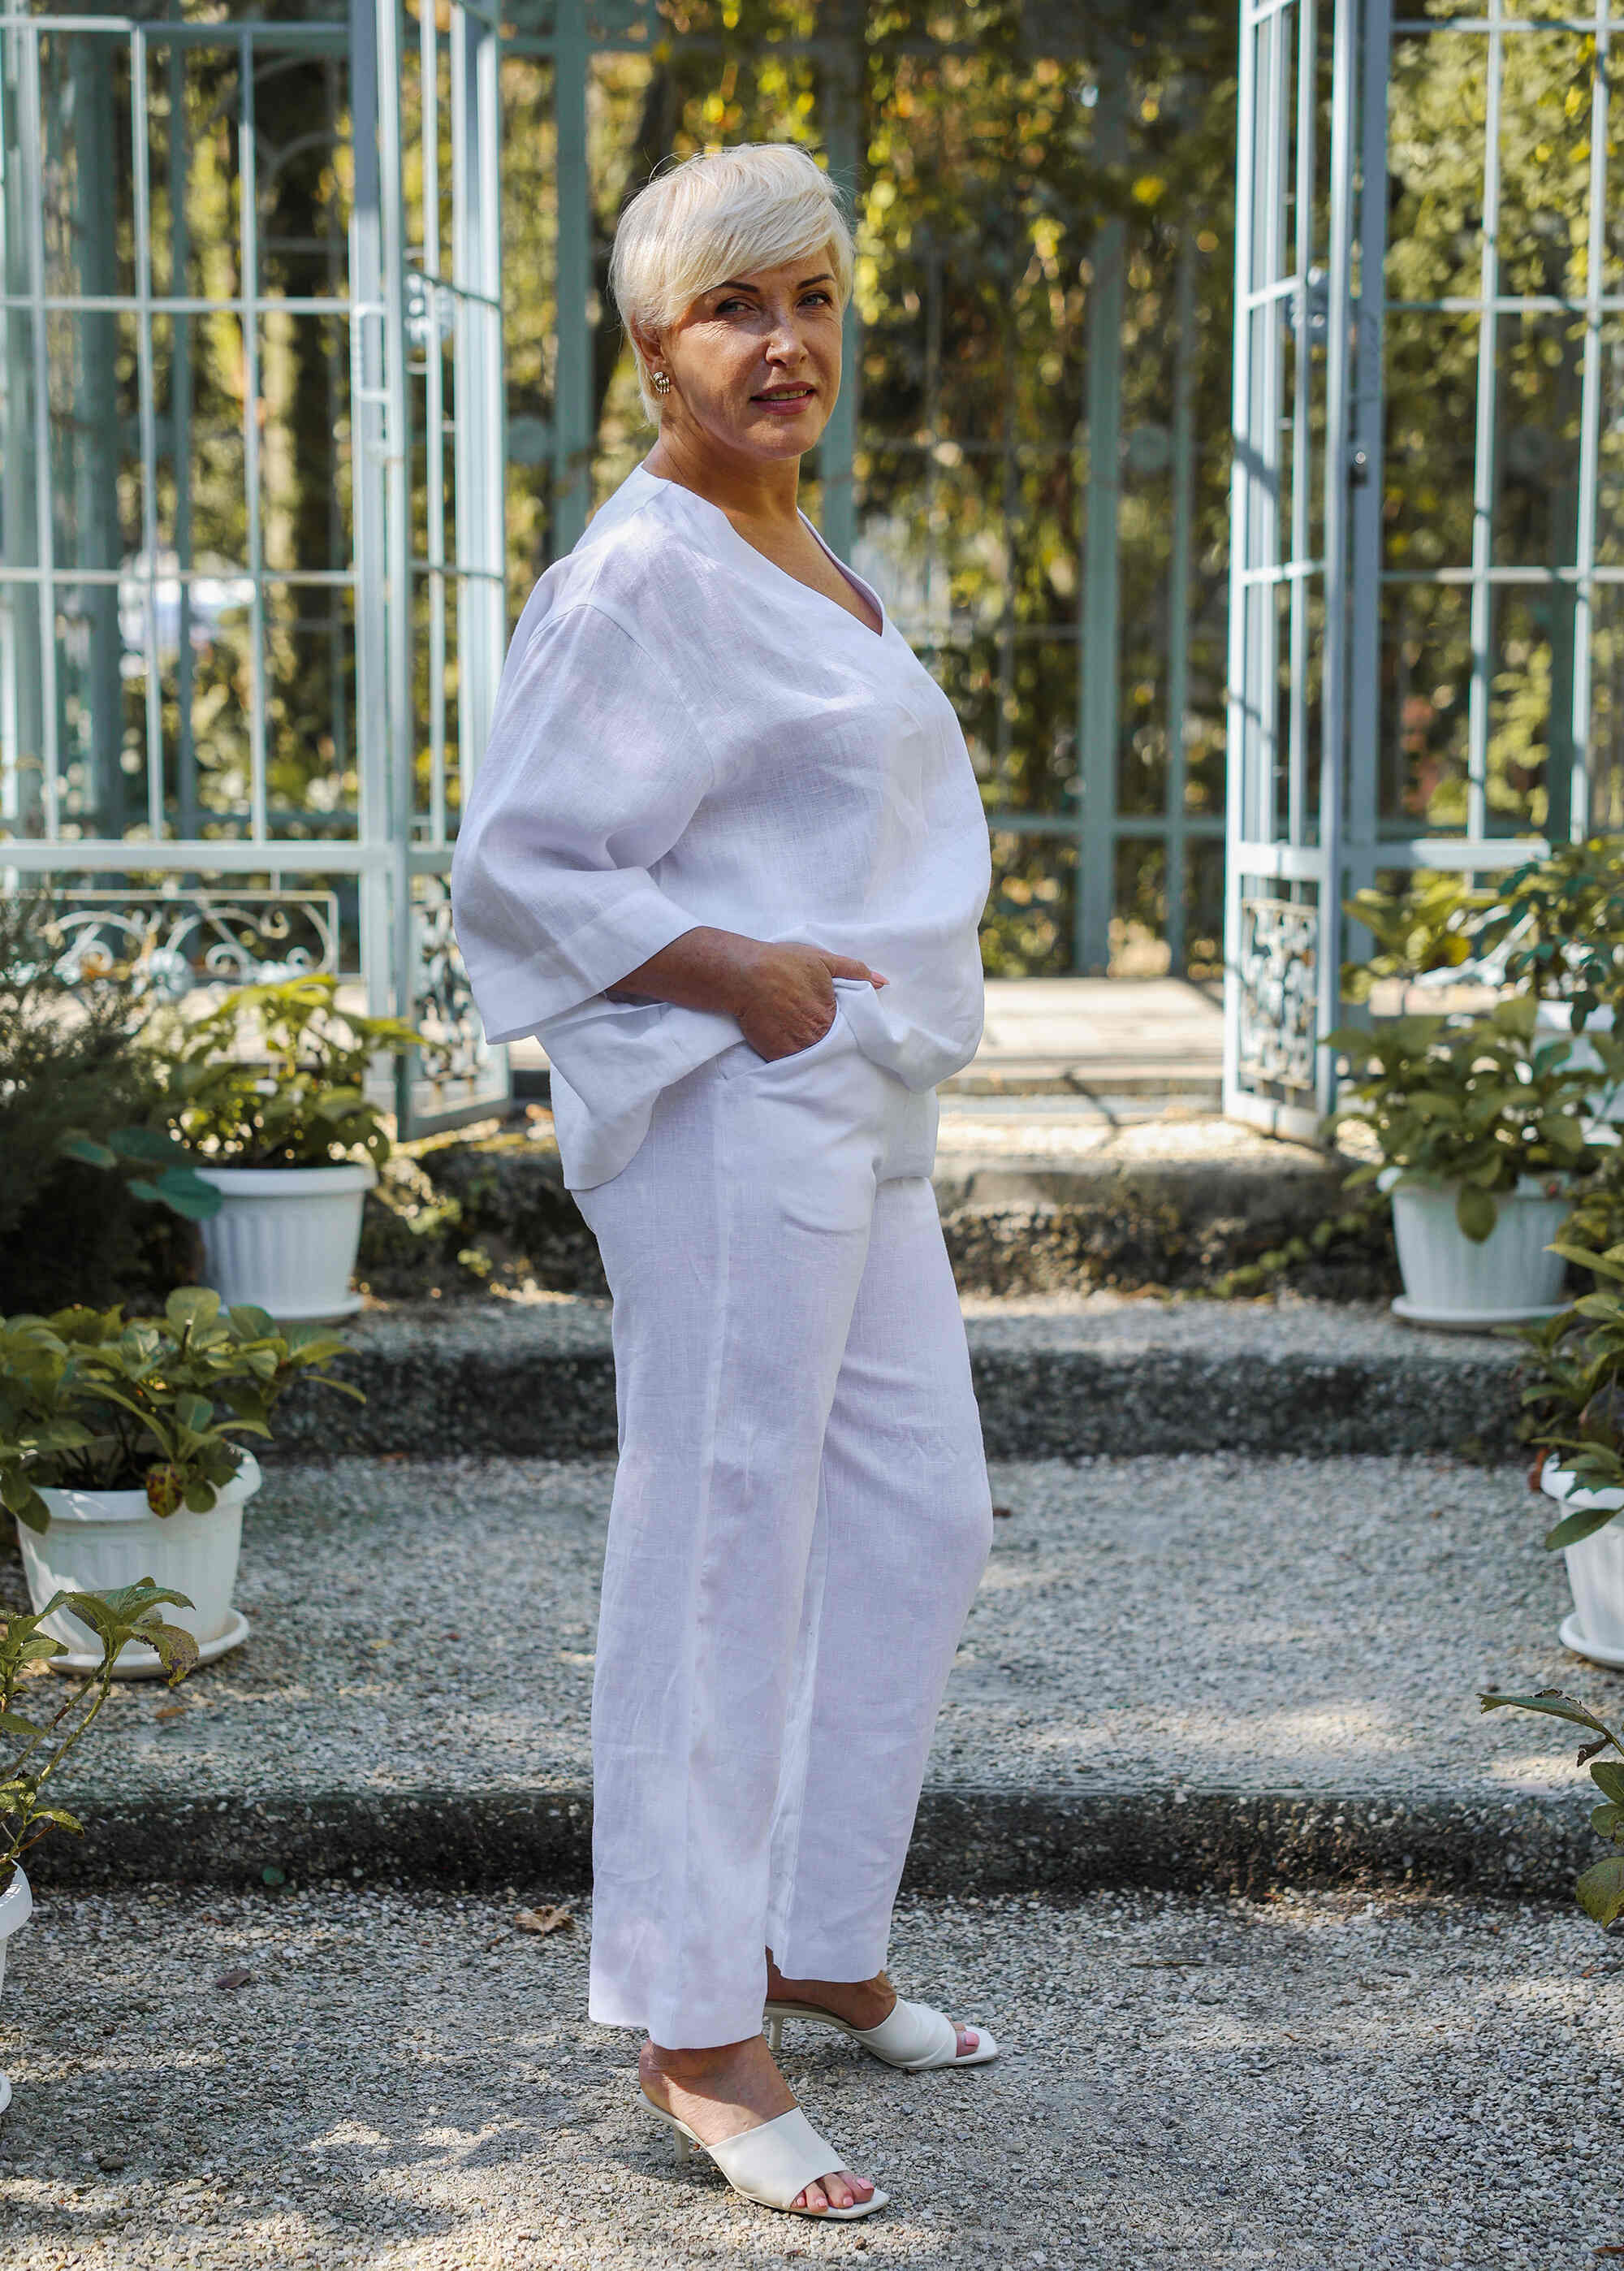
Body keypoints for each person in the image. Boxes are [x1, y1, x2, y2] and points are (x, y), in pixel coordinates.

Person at [451, 142, 996, 2226]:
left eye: (815, 300)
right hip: (732, 1097)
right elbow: (522, 859)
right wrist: (735, 968)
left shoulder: (799, 545)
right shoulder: (638, 573)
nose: (787, 345)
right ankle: (697, 2024)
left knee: (922, 1512)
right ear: (650, 344)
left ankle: (818, 1932)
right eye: (734, 310)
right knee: (723, 1535)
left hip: (850, 1103)